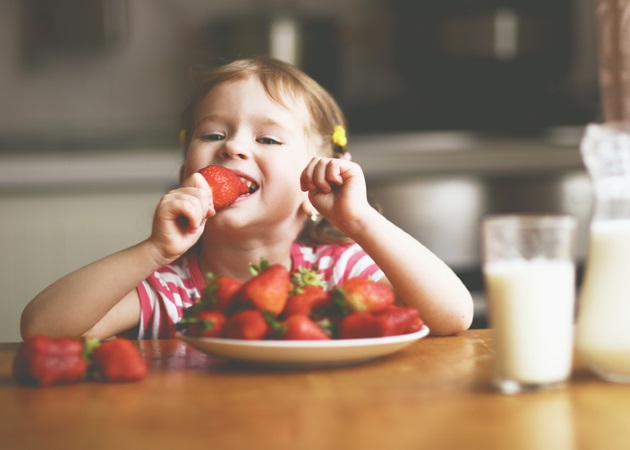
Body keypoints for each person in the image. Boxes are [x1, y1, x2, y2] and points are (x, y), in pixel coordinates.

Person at [20, 57, 473, 340]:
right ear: (184, 174)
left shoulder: (338, 271)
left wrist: (360, 222)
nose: (233, 148)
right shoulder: (172, 289)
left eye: (269, 140)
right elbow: (43, 329)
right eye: (213, 134)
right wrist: (154, 251)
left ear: (315, 184)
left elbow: (453, 317)